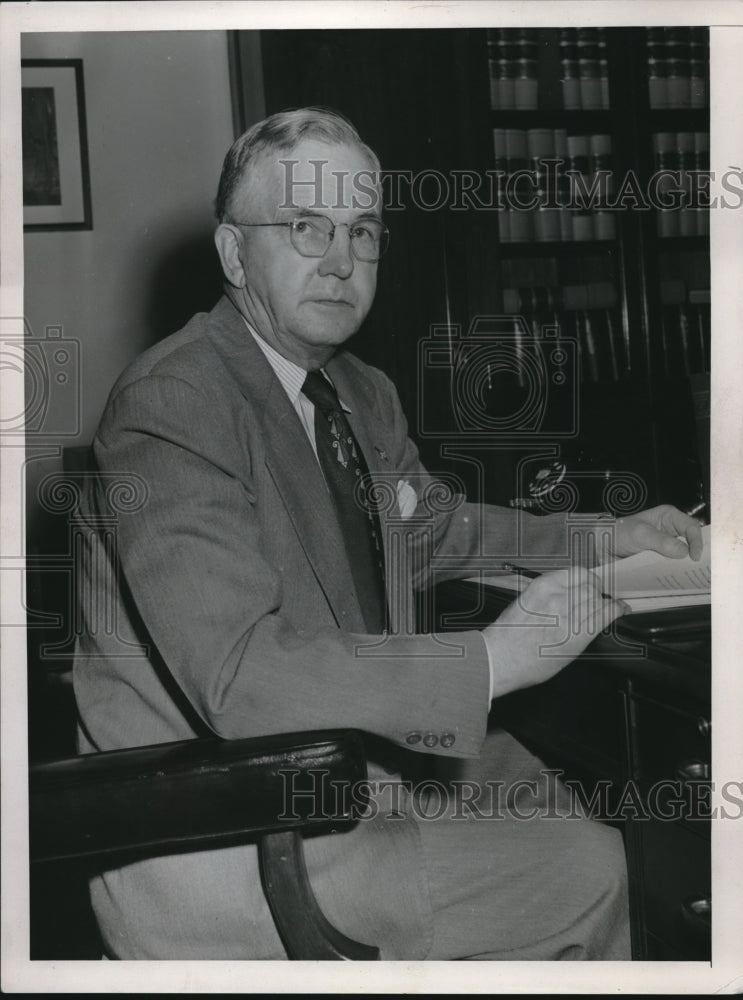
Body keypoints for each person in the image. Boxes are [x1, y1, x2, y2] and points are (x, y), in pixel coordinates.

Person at [73, 107, 703, 960]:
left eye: (362, 232)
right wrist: (491, 661)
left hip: (349, 751)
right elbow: (236, 674)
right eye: (306, 227)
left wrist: (602, 538)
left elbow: (431, 528)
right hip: (235, 820)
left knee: (583, 801)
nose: (341, 262)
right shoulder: (173, 401)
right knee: (591, 866)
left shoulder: (356, 389)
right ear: (234, 254)